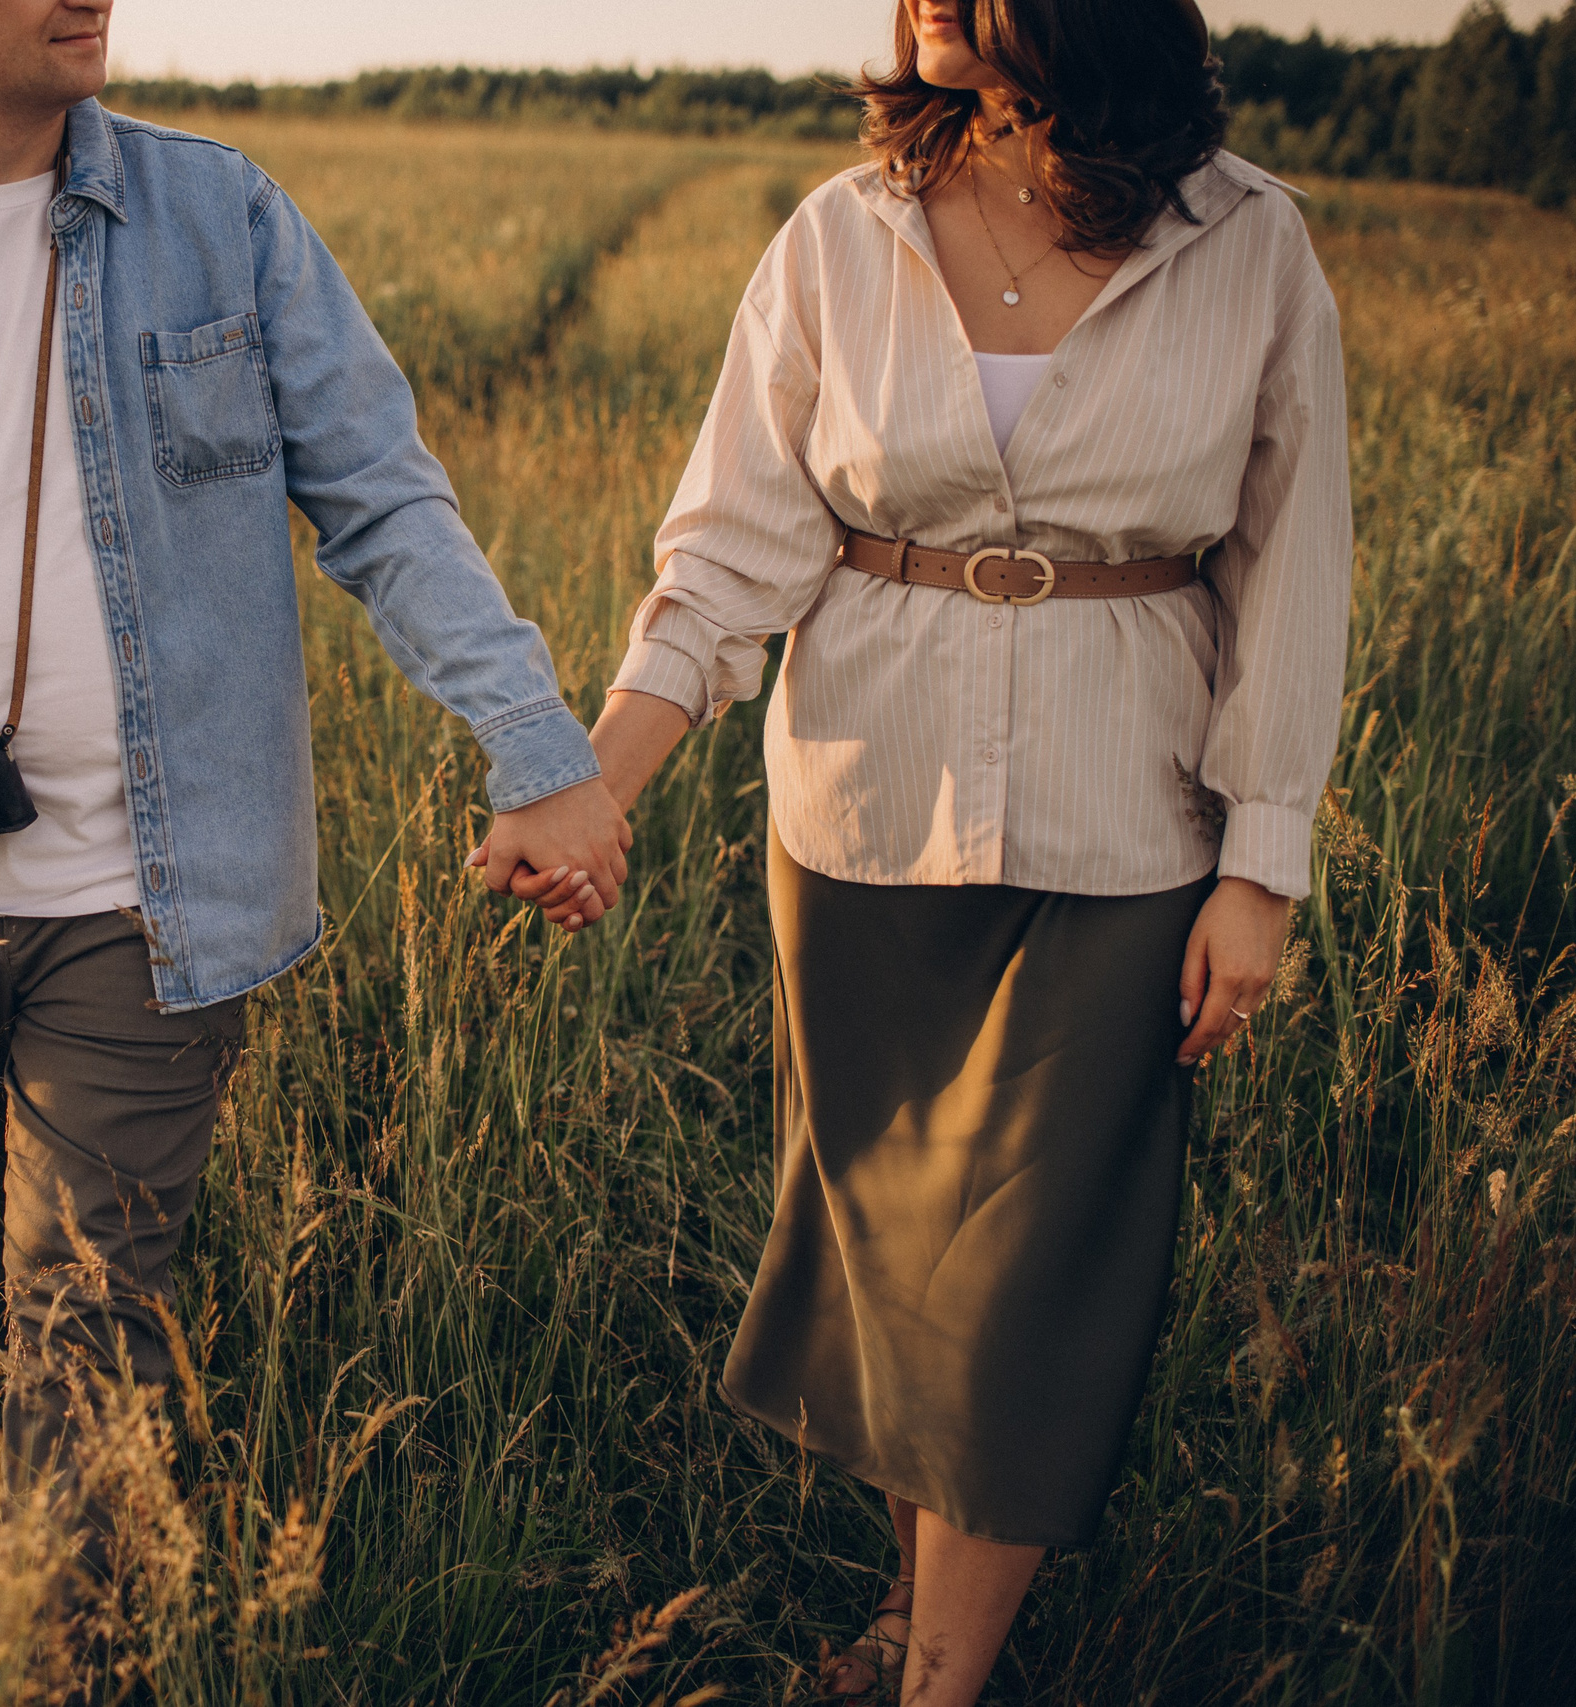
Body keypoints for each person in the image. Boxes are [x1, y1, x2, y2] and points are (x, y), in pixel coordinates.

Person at [0, 0, 629, 1531]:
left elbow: (383, 500)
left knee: (85, 1325)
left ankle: (79, 1648)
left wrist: (534, 743)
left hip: (149, 897)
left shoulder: (220, 214)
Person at [548, 1, 1350, 1699]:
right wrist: (603, 778)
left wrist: (1260, 869)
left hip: (1128, 833)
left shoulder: (1248, 240)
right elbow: (729, 552)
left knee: (1025, 1293)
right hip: (861, 815)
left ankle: (938, 1685)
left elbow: (1293, 564)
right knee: (905, 1275)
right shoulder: (845, 232)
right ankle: (917, 1614)